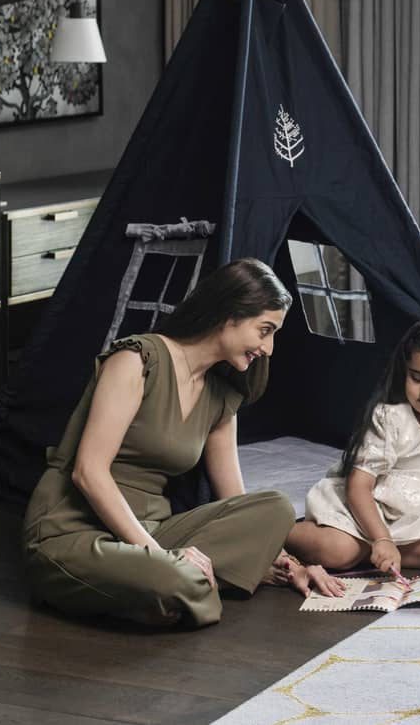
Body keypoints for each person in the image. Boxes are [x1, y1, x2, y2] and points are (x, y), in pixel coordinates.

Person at [21, 258, 344, 629]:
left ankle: (162, 592)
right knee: (171, 578)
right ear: (230, 314)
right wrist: (161, 556)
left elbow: (234, 504)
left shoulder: (222, 396)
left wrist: (290, 565)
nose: (269, 348)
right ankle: (169, 587)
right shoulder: (136, 360)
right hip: (72, 532)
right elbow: (87, 473)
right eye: (265, 330)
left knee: (275, 509)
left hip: (155, 533)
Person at [285, 316, 420, 575]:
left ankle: (371, 553)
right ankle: (282, 532)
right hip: (368, 508)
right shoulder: (389, 415)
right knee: (338, 551)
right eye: (417, 378)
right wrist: (381, 539)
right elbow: (359, 486)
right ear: (405, 371)